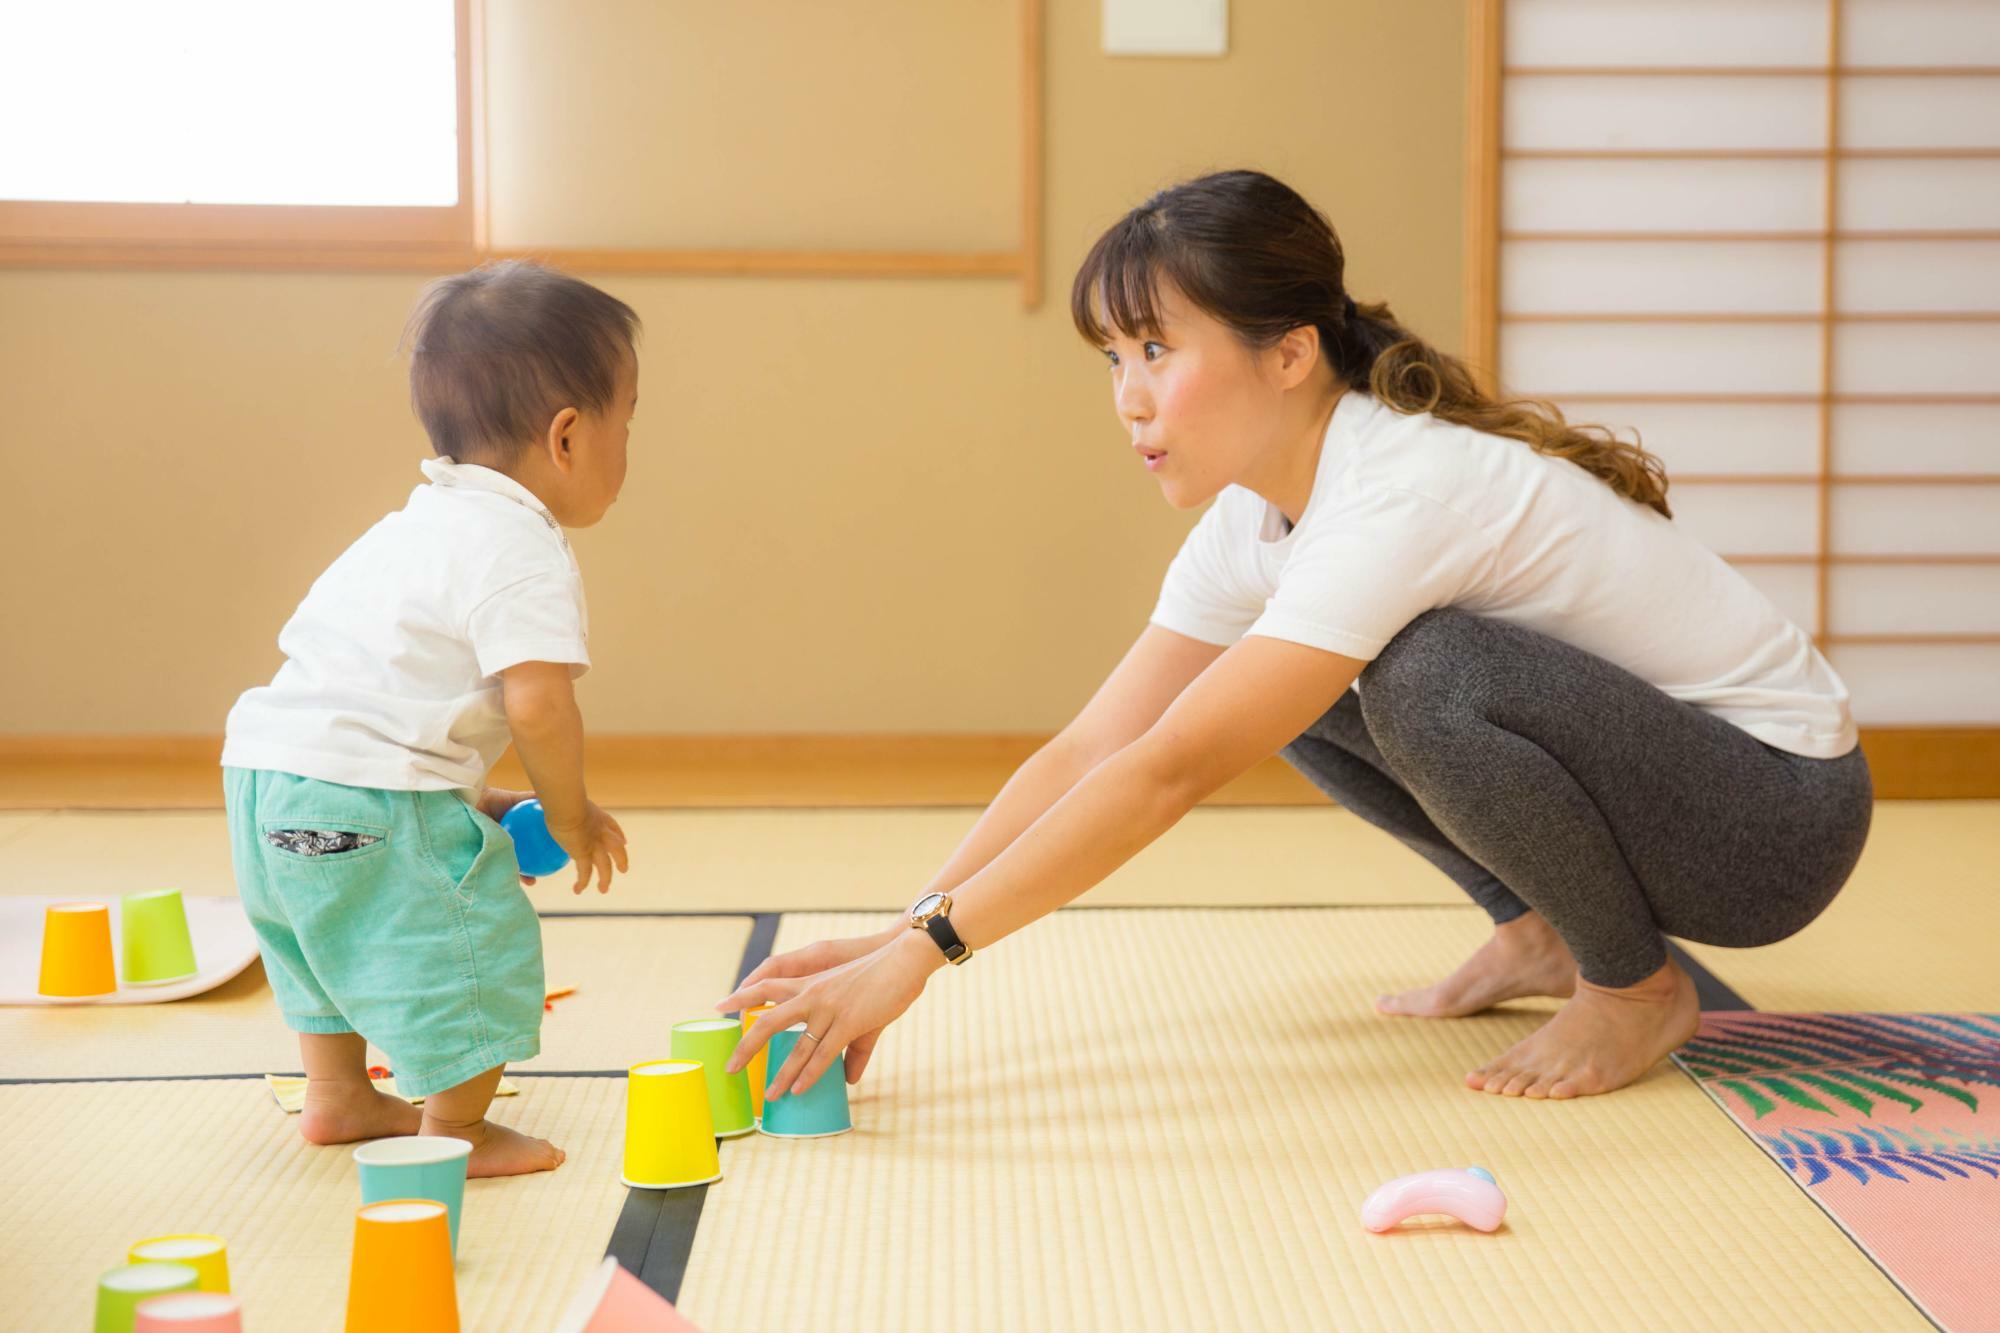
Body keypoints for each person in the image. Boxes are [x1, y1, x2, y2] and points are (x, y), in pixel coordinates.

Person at [718, 169, 1871, 1104]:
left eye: (1157, 351)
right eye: (1113, 359)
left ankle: (1632, 989)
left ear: (1288, 353)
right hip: (1676, 789)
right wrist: (900, 928)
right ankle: (1541, 935)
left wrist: (924, 961)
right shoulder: (1253, 517)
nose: (1126, 396)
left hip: (1771, 821)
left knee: (1424, 678)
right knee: (1294, 677)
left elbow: (1168, 772)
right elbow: (1096, 747)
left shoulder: (1394, 490)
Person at [221, 260, 634, 1175]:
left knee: (316, 936)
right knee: (470, 937)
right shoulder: (524, 549)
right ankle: (459, 1130)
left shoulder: (409, 527)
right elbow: (539, 702)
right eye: (627, 426)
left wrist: (467, 794)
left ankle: (335, 1093)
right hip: (365, 796)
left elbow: (376, 704)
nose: (629, 452)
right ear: (567, 436)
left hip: (260, 778)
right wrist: (567, 813)